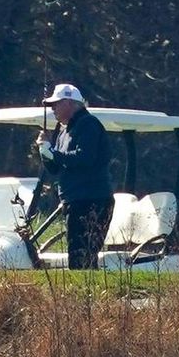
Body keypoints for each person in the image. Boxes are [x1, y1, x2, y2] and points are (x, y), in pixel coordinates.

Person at [36, 83, 114, 270]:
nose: (53, 108)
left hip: (91, 201)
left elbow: (84, 158)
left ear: (70, 103)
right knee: (77, 254)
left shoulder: (88, 124)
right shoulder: (65, 131)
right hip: (76, 201)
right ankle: (82, 296)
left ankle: (86, 296)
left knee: (83, 255)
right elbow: (55, 168)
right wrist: (44, 151)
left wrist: (53, 153)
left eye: (57, 104)